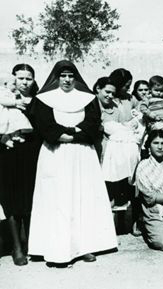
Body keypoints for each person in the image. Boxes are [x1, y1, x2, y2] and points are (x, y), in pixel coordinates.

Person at [28, 60, 117, 265]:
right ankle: (56, 247)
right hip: (55, 153)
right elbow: (44, 126)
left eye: (71, 76)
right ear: (56, 77)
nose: (67, 80)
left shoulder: (87, 98)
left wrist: (76, 135)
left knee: (82, 197)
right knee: (58, 198)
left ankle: (84, 246)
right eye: (63, 76)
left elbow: (93, 123)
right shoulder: (44, 99)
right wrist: (66, 136)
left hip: (82, 154)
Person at [0, 64, 40, 266]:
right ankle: (16, 246)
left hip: (31, 152)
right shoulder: (5, 99)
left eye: (29, 78)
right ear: (13, 79)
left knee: (30, 197)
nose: (25, 82)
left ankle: (32, 243)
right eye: (21, 78)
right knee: (11, 198)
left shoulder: (38, 101)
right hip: (7, 152)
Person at [94, 77, 142, 210]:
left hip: (112, 152)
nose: (110, 96)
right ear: (98, 88)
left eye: (113, 94)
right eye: (107, 92)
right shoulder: (91, 106)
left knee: (113, 188)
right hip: (95, 148)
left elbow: (123, 128)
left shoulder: (115, 109)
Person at [0, 78, 33, 148]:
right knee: (8, 125)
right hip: (5, 111)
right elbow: (3, 100)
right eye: (13, 84)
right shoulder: (3, 91)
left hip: (12, 110)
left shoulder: (12, 92)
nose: (15, 86)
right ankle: (6, 138)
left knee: (16, 123)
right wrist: (15, 102)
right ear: (5, 84)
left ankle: (15, 135)